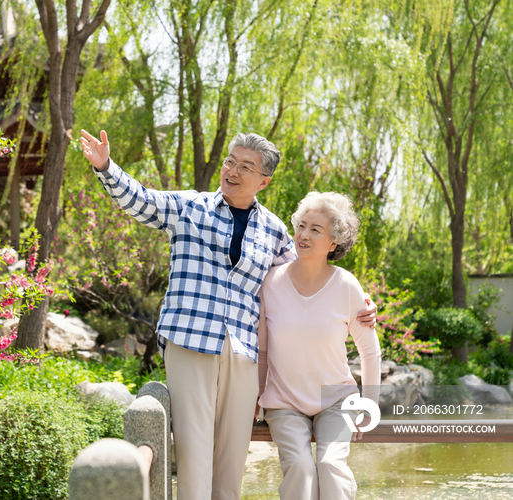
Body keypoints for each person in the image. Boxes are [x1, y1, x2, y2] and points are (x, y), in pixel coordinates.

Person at [80, 129, 376, 500]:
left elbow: (308, 274)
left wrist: (359, 303)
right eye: (230, 161)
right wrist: (106, 166)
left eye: (246, 167)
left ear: (263, 181)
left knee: (233, 455)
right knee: (195, 450)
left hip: (243, 350)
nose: (232, 171)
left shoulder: (273, 229)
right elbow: (140, 200)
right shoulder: (189, 207)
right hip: (190, 338)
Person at [257, 191, 382, 500]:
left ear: (333, 242)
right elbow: (261, 352)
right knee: (300, 467)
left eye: (316, 229)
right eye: (301, 225)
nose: (304, 234)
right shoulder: (270, 283)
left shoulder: (347, 286)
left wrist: (370, 403)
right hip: (284, 402)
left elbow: (369, 351)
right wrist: (256, 401)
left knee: (329, 465)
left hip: (336, 400)